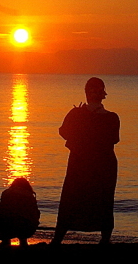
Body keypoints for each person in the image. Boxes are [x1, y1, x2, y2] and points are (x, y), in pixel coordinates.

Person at [51, 77, 119, 245]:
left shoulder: (76, 114)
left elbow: (64, 132)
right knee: (103, 199)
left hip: (81, 162)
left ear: (87, 94)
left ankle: (58, 239)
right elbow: (113, 139)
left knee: (71, 197)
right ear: (102, 94)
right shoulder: (111, 118)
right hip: (103, 164)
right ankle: (105, 239)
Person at [0, 177, 40, 246]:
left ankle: (5, 239)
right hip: (26, 227)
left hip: (6, 225)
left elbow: (1, 210)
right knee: (27, 216)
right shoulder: (30, 195)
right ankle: (23, 240)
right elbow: (34, 212)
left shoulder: (6, 192)